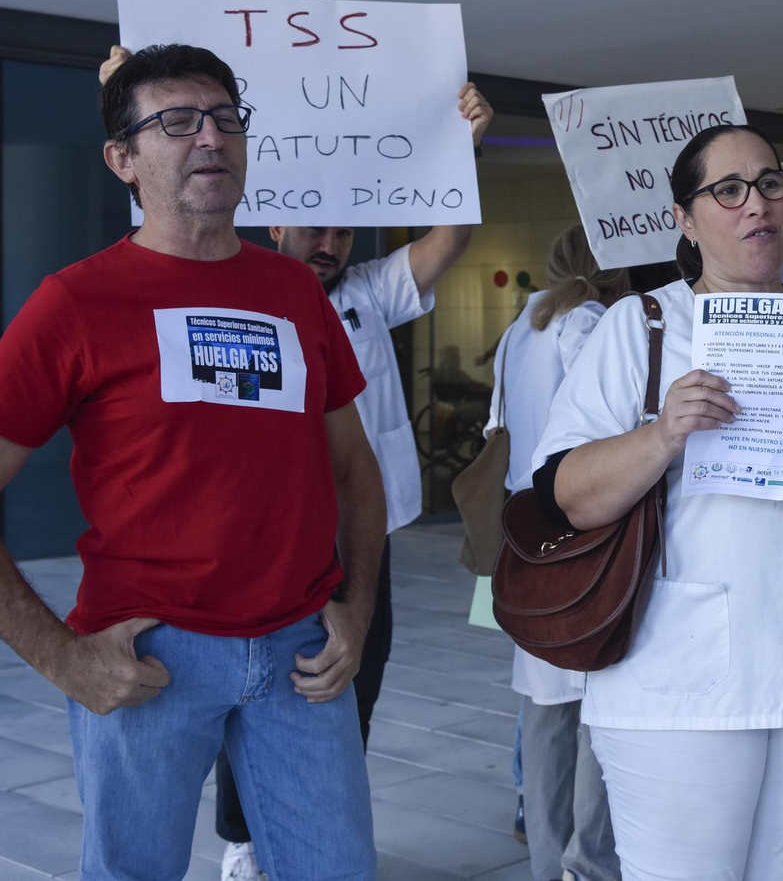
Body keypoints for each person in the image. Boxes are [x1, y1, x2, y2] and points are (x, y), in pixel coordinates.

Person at [98, 43, 496, 878]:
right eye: (312, 225)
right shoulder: (211, 289)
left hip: (351, 551)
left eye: (342, 228)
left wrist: (465, 151)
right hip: (186, 603)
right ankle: (244, 840)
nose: (329, 240)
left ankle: (288, 816)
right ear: (274, 224)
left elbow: (450, 234)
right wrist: (134, 108)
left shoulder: (359, 294)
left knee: (350, 681)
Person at [0, 44, 386, 879]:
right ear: (123, 160)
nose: (208, 138)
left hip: (300, 655)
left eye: (225, 118)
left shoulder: (293, 291)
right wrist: (62, 657)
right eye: (175, 122)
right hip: (149, 656)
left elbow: (353, 467)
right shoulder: (72, 304)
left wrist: (356, 607)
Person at [528, 124, 783, 880]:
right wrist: (663, 435)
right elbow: (559, 495)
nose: (755, 206)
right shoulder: (640, 330)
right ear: (684, 218)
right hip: (682, 684)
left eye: (770, 184)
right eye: (727, 191)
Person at [487, 226, 628, 881]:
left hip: (523, 537)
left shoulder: (524, 324)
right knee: (599, 707)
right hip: (584, 536)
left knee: (545, 713)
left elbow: (497, 428)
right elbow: (609, 435)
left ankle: (549, 863)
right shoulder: (597, 325)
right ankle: (588, 865)